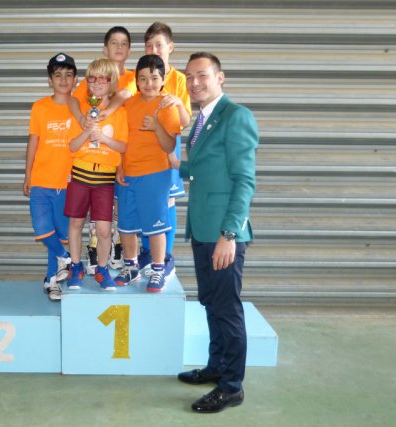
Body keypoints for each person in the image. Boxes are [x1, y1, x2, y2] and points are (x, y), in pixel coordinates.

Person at [176, 52, 258, 413]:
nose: (194, 83)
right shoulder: (201, 120)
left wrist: (229, 234)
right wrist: (176, 165)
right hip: (203, 229)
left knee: (226, 308)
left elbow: (244, 180)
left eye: (202, 75)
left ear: (220, 77)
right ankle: (216, 367)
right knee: (211, 303)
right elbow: (202, 170)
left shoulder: (236, 116)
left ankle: (231, 386)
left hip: (223, 234)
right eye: (189, 77)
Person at [69, 26, 137, 275]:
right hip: (89, 164)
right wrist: (82, 120)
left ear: (129, 50)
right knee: (92, 217)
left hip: (120, 159)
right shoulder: (93, 79)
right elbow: (74, 99)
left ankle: (118, 253)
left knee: (117, 212)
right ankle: (93, 254)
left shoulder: (134, 77)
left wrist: (107, 111)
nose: (119, 47)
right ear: (105, 48)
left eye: (124, 43)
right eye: (114, 43)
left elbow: (125, 94)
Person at [115, 54, 179, 292]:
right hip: (128, 175)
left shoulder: (167, 105)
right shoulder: (128, 105)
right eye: (143, 79)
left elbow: (170, 146)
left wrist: (156, 126)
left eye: (154, 78)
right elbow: (122, 139)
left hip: (155, 174)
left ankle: (158, 269)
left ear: (163, 80)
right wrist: (120, 167)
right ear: (136, 81)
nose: (148, 83)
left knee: (156, 225)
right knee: (126, 225)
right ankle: (131, 266)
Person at [65, 58, 128, 291]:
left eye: (104, 78)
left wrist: (104, 138)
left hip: (104, 181)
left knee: (103, 230)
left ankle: (102, 270)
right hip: (80, 176)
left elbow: (123, 146)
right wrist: (86, 130)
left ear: (112, 82)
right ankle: (75, 267)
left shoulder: (119, 113)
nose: (97, 82)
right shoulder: (82, 110)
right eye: (92, 78)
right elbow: (72, 146)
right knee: (75, 223)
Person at [137, 22, 191, 274]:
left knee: (166, 200)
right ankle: (148, 252)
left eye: (159, 45)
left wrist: (177, 103)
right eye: (149, 45)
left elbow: (184, 120)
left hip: (168, 146)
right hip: (141, 149)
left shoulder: (179, 79)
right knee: (145, 200)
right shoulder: (140, 76)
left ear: (170, 47)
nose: (154, 50)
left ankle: (166, 256)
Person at [24, 53, 78, 301]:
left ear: (75, 79)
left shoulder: (79, 108)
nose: (63, 80)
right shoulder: (40, 107)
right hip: (41, 181)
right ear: (50, 80)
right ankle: (66, 258)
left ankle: (51, 281)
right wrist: (28, 173)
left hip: (68, 184)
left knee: (58, 233)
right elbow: (33, 142)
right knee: (42, 228)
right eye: (58, 75)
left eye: (68, 75)